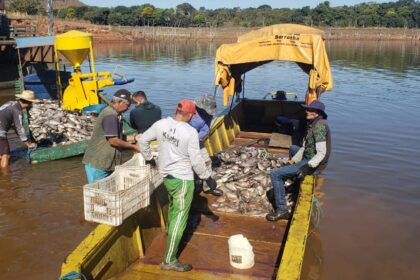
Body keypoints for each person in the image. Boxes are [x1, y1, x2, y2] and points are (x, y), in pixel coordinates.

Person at [139, 99, 216, 272]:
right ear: (191, 114)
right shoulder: (190, 132)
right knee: (181, 217)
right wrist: (208, 178)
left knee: (174, 207)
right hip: (182, 180)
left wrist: (149, 158)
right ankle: (169, 260)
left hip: (166, 176)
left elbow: (142, 140)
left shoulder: (161, 124)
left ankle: (170, 232)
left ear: (177, 110)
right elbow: (196, 161)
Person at [266, 100, 331, 222]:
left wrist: (307, 166)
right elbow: (304, 147)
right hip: (308, 155)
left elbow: (322, 153)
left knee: (275, 174)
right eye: (307, 109)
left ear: (317, 113)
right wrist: (292, 161)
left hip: (312, 162)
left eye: (309, 109)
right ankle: (294, 183)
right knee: (293, 148)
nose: (306, 111)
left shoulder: (320, 127)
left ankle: (282, 210)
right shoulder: (312, 124)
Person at [82, 89, 140, 184]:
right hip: (98, 164)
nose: (128, 108)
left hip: (105, 162)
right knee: (99, 194)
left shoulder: (115, 114)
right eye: (128, 105)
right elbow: (113, 140)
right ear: (119, 102)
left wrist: (134, 138)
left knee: (106, 192)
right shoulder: (110, 115)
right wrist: (134, 147)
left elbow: (117, 137)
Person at [189, 95, 223, 196]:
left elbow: (204, 131)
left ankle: (208, 187)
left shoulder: (208, 116)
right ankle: (192, 186)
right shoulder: (190, 108)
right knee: (188, 164)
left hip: (196, 140)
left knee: (207, 161)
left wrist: (193, 138)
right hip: (181, 139)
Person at [0, 90, 38, 168]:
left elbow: (14, 126)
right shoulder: (17, 111)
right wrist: (29, 145)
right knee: (5, 155)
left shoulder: (10, 103)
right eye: (31, 104)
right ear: (28, 103)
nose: (31, 106)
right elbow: (19, 128)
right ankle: (5, 177)